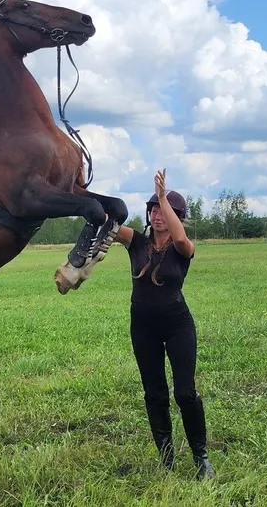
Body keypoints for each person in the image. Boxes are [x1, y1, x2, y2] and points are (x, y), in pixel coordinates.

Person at [112, 169, 215, 480]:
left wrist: (162, 196)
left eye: (164, 210)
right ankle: (166, 458)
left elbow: (180, 237)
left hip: (177, 324)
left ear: (177, 217)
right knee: (154, 393)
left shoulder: (183, 248)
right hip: (143, 326)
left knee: (185, 393)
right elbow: (107, 226)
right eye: (154, 209)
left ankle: (201, 457)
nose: (157, 215)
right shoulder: (136, 242)